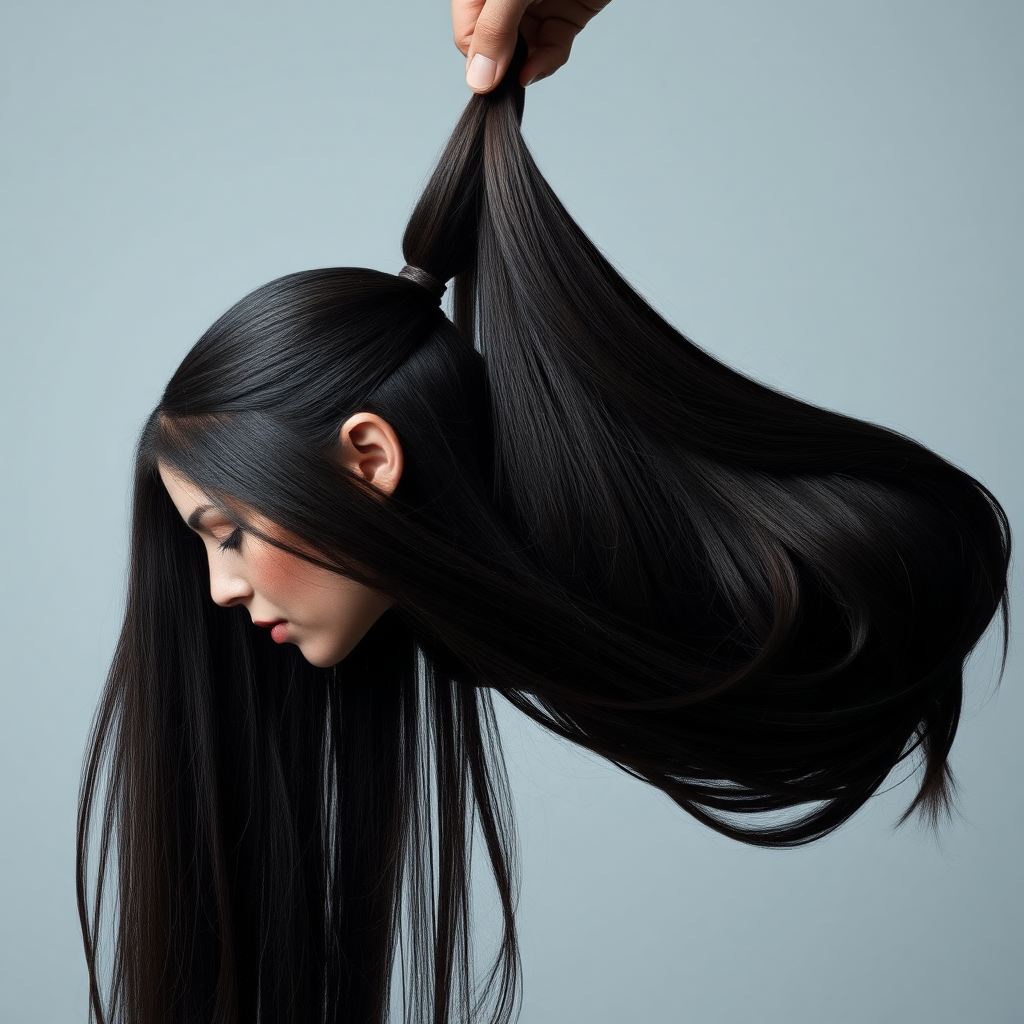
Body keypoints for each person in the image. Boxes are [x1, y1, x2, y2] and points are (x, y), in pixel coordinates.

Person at [77, 23, 1010, 1024]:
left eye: (227, 530)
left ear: (369, 456)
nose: (220, 587)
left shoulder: (628, 563)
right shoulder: (487, 628)